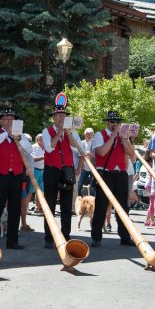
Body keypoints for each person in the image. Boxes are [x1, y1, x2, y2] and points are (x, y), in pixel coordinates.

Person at [0, 109, 32, 249]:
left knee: (14, 209)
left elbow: (29, 149)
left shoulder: (21, 135)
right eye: (6, 119)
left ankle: (12, 241)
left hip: (16, 176)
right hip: (0, 176)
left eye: (12, 119)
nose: (9, 121)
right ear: (1, 121)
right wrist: (7, 133)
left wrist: (18, 138)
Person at [90, 111, 136, 247]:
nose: (115, 124)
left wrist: (124, 139)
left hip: (121, 173)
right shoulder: (100, 135)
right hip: (105, 173)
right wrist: (114, 136)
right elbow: (101, 152)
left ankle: (125, 236)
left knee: (123, 207)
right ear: (107, 122)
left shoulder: (122, 136)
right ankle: (96, 237)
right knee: (101, 206)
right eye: (112, 122)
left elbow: (131, 153)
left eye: (117, 122)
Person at [41, 105, 81, 249]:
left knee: (66, 205)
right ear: (53, 117)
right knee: (50, 206)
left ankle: (66, 235)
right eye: (58, 115)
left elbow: (77, 148)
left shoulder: (72, 132)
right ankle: (49, 237)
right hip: (52, 170)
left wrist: (68, 134)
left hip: (67, 171)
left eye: (63, 115)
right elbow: (49, 148)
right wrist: (58, 134)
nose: (61, 118)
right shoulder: (47, 131)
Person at [19, 133, 35, 232]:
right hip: (20, 177)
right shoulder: (21, 151)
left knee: (24, 200)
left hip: (25, 179)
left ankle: (23, 223)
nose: (28, 143)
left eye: (29, 141)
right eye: (27, 141)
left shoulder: (28, 152)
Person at [77, 128, 95, 196]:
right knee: (79, 184)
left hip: (92, 168)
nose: (89, 135)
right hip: (83, 168)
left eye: (91, 134)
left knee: (92, 187)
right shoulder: (82, 143)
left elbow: (98, 155)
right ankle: (79, 199)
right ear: (85, 134)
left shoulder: (94, 143)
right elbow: (79, 155)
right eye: (87, 134)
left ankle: (93, 202)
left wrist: (92, 155)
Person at [30, 134, 45, 214]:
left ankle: (38, 207)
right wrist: (43, 158)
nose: (42, 139)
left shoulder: (45, 147)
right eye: (40, 138)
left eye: (43, 138)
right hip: (35, 170)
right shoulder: (34, 147)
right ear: (37, 139)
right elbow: (32, 159)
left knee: (41, 191)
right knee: (31, 190)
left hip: (43, 170)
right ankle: (25, 209)